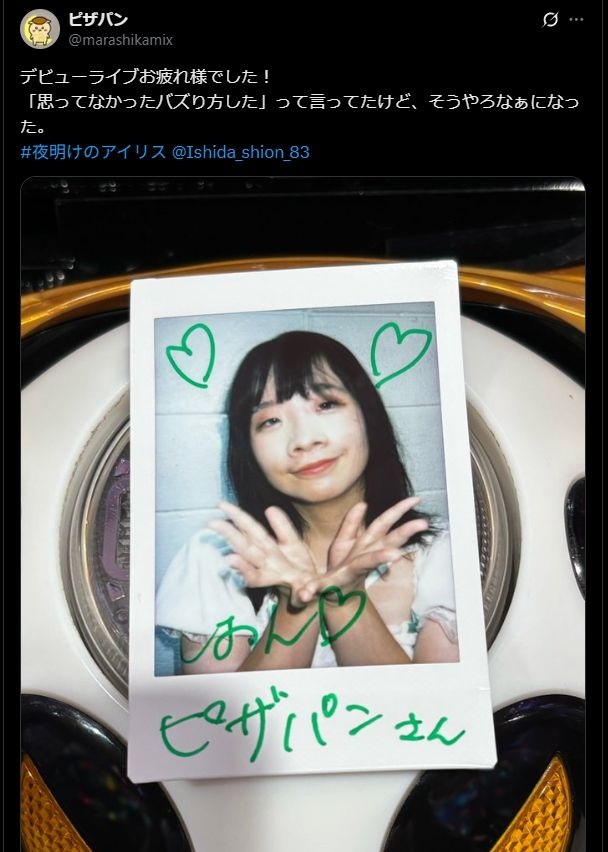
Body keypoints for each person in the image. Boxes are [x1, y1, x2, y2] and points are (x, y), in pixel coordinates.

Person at [156, 331, 459, 674]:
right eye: (270, 421)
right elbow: (220, 710)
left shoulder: (446, 554)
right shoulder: (217, 558)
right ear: (249, 449)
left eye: (325, 405)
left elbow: (436, 707)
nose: (303, 439)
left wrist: (346, 602)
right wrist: (294, 608)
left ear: (368, 415)